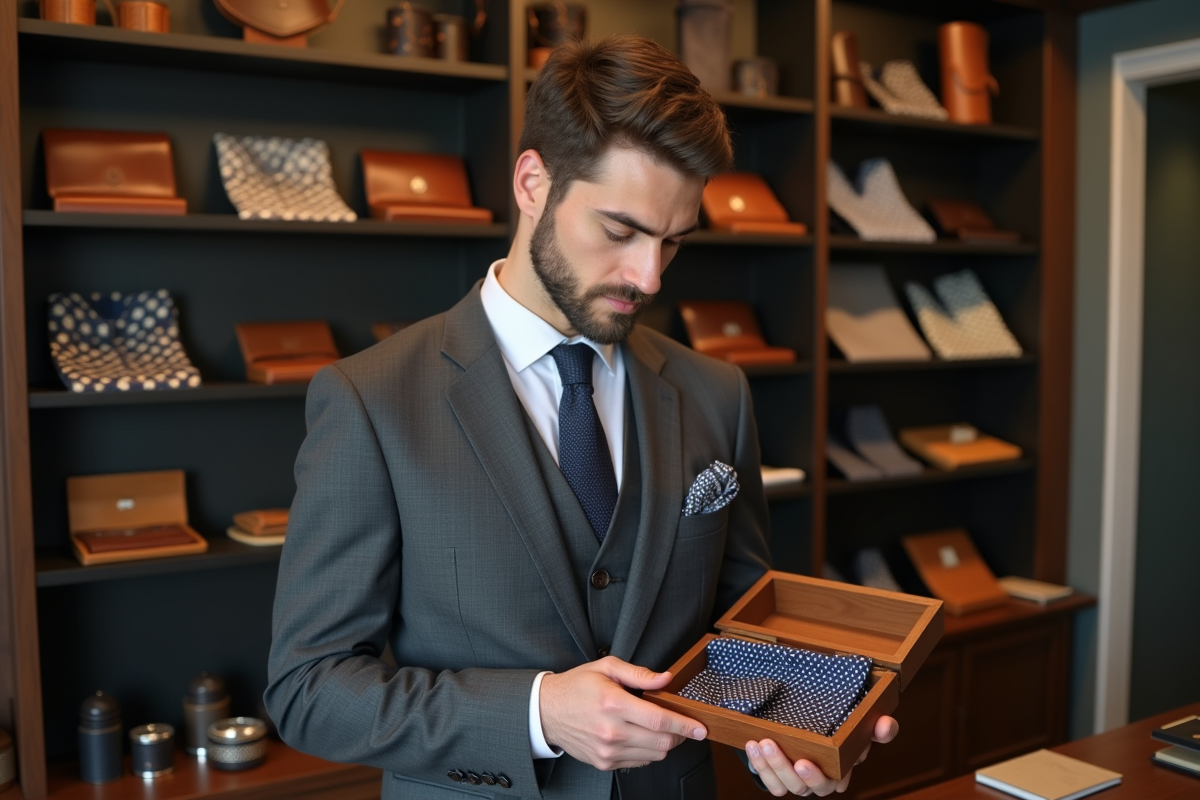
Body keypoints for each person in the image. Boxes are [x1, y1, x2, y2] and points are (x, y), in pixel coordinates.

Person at [265, 34, 897, 800]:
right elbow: (310, 689)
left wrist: (817, 730)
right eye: (621, 231)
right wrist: (536, 713)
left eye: (672, 242)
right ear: (534, 181)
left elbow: (743, 629)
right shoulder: (370, 401)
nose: (648, 275)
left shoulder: (717, 393)